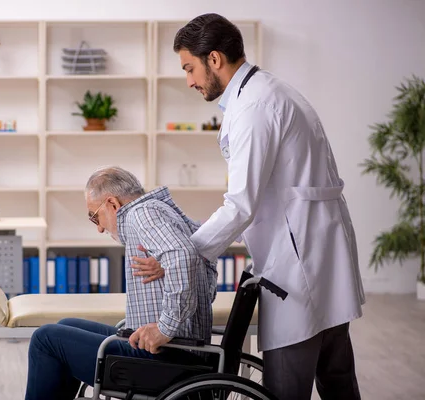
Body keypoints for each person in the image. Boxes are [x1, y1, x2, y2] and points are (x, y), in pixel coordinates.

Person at [132, 13, 365, 400]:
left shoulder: (255, 108)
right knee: (337, 376)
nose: (189, 80)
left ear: (215, 59)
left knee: (286, 387)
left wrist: (181, 257)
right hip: (319, 253)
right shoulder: (268, 92)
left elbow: (241, 205)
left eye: (190, 68)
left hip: (299, 265)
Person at [24, 166, 218, 400]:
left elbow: (183, 255)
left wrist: (165, 327)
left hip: (163, 357)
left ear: (112, 204)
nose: (98, 228)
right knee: (66, 325)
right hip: (169, 350)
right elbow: (200, 261)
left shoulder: (142, 214)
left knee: (45, 339)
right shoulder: (160, 211)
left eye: (94, 216)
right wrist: (166, 268)